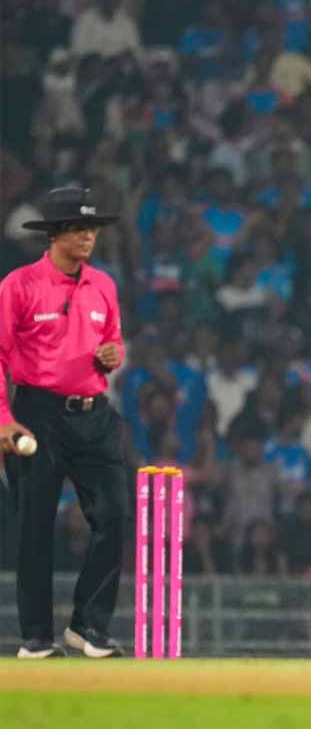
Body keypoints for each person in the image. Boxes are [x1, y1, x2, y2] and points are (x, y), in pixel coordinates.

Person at [0, 187, 128, 658]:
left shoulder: (104, 284)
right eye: (78, 228)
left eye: (92, 228)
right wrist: (3, 420)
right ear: (54, 234)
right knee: (35, 526)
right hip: (38, 416)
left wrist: (114, 354)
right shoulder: (19, 285)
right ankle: (37, 636)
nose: (88, 236)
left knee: (115, 515)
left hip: (94, 413)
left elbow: (112, 340)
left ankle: (88, 627)